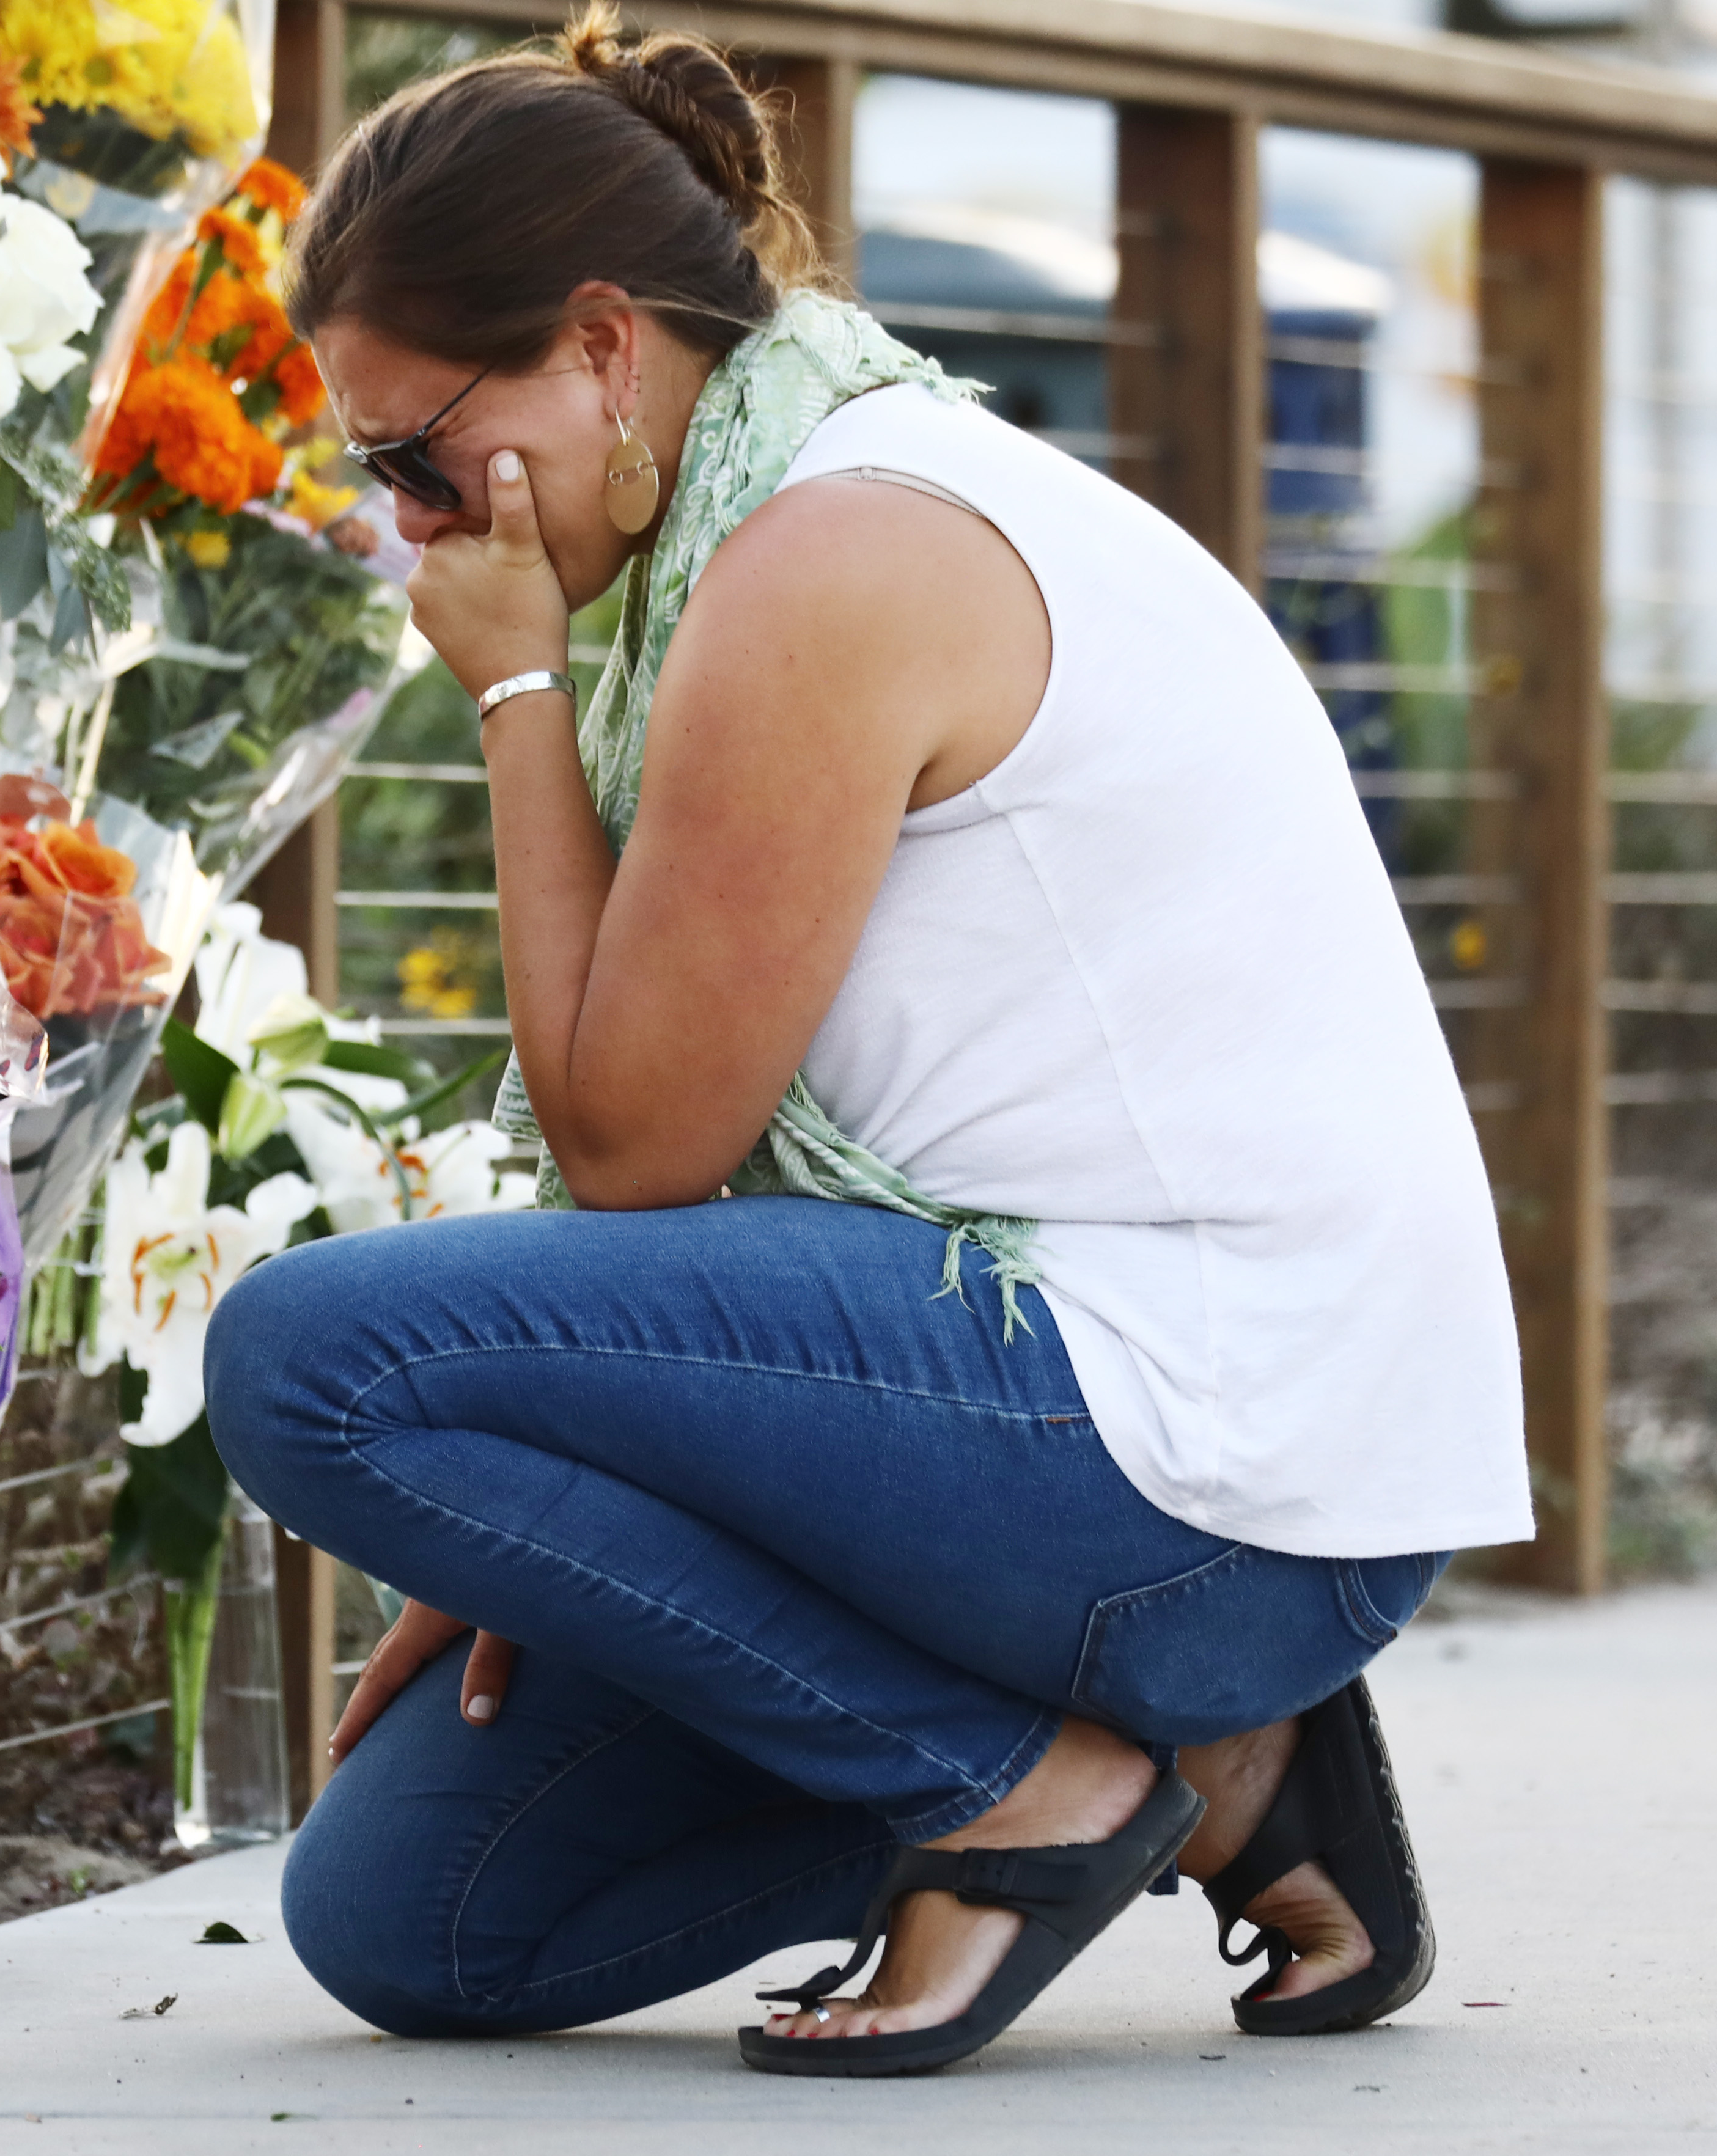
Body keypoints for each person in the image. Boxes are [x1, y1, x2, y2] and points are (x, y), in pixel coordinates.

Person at [200, 5, 1529, 2078]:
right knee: (411, 1915)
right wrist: (531, 1502)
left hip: (1198, 1457)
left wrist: (514, 700)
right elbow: (667, 1165)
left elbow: (642, 1144)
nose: (409, 523)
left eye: (419, 453)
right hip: (1109, 1449)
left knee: (299, 1356)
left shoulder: (837, 549)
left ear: (600, 342)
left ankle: (1033, 1787)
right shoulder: (764, 526)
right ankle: (1240, 1776)